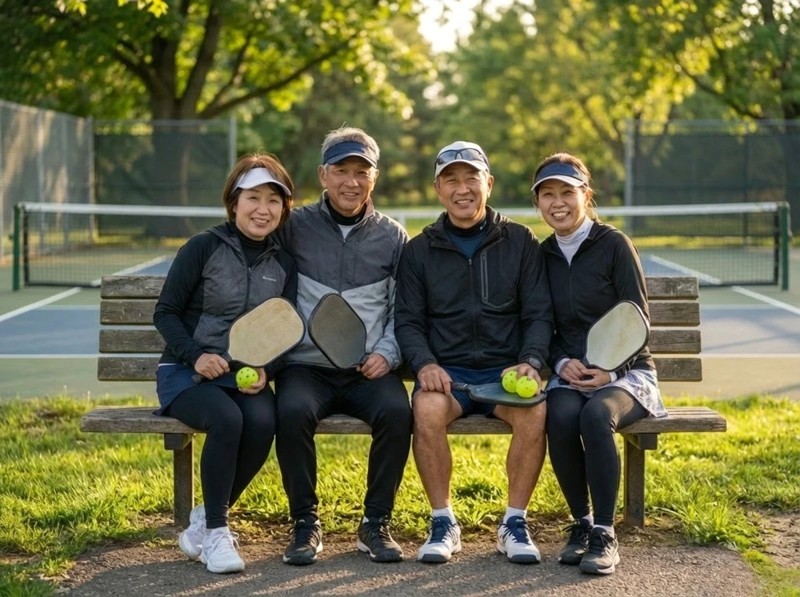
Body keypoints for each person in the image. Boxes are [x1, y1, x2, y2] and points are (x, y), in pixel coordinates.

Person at [395, 141, 553, 564]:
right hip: (451, 378)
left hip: (507, 374)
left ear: (489, 183)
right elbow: (408, 321)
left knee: (535, 411)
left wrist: (533, 360)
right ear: (438, 189)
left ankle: (514, 523)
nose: (462, 189)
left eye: (471, 178)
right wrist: (424, 363)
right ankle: (443, 521)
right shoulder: (418, 250)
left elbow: (539, 314)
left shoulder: (521, 241)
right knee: (426, 410)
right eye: (451, 180)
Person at [274, 126, 412, 566]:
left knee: (397, 412)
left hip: (368, 369)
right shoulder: (291, 228)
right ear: (322, 175)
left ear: (374, 178)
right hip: (305, 368)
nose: (351, 181)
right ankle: (304, 523)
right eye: (341, 170)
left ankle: (375, 523)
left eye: (362, 171)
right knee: (291, 411)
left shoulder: (394, 237)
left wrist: (386, 355)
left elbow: (401, 311)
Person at [153, 153, 297, 574]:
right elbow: (165, 313)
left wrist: (269, 370)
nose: (263, 209)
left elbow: (284, 329)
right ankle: (217, 531)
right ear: (234, 202)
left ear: (283, 209)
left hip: (244, 376)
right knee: (227, 420)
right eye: (254, 197)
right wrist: (197, 355)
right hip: (185, 374)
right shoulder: (203, 247)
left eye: (274, 200)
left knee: (265, 421)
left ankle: (204, 519)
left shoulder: (284, 263)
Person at [531, 152, 667, 576]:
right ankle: (582, 524)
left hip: (627, 375)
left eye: (567, 192)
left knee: (595, 416)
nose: (558, 202)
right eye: (548, 194)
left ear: (585, 196)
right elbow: (543, 323)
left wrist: (611, 371)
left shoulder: (614, 245)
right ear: (538, 203)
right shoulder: (541, 256)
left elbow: (636, 318)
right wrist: (562, 361)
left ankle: (605, 533)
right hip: (572, 374)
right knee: (559, 414)